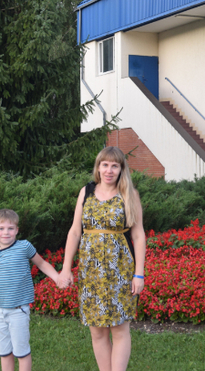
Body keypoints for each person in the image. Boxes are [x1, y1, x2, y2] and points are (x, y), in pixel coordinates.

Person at [58, 146, 146, 371]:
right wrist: (66, 268)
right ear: (98, 167)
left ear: (121, 169)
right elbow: (75, 232)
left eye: (114, 166)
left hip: (120, 270)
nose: (109, 170)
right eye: (105, 165)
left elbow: (138, 235)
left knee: (119, 328)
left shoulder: (130, 194)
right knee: (97, 330)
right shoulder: (86, 192)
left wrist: (139, 274)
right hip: (91, 271)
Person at [0, 209, 60, 371]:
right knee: (4, 353)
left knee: (21, 353)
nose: (6, 232)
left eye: (10, 228)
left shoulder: (24, 247)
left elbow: (41, 263)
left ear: (17, 230)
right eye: (1, 228)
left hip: (17, 310)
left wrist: (57, 277)